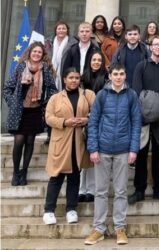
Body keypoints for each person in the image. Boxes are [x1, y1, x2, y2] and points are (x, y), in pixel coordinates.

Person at [84, 64, 141, 245]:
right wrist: (93, 148)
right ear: (109, 76)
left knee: (121, 191)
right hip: (103, 149)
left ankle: (119, 228)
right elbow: (93, 123)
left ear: (125, 75)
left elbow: (136, 123)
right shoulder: (102, 95)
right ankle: (98, 228)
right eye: (115, 74)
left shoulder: (131, 95)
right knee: (100, 191)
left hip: (123, 150)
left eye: (121, 74)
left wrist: (133, 149)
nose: (118, 77)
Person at [42, 67, 95, 225]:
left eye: (77, 78)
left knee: (74, 176)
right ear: (64, 79)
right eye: (71, 77)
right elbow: (48, 118)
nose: (74, 80)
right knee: (56, 177)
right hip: (60, 143)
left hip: (78, 143)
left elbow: (98, 111)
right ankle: (49, 210)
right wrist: (64, 122)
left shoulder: (87, 95)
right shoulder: (56, 98)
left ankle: (71, 209)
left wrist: (86, 119)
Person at [3, 42, 58, 186]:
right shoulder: (21, 67)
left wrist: (46, 103)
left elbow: (53, 89)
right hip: (20, 111)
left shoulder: (45, 69)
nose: (37, 54)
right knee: (19, 140)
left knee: (30, 141)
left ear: (43, 55)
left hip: (35, 110)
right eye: (35, 52)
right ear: (30, 52)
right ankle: (16, 172)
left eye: (39, 52)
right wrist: (13, 102)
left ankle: (24, 172)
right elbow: (7, 88)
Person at [128, 35, 159, 205]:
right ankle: (139, 190)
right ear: (150, 47)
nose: (158, 47)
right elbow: (136, 91)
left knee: (158, 155)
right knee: (141, 154)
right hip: (143, 117)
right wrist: (148, 107)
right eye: (155, 44)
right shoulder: (142, 66)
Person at [78, 51, 108, 203]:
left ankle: (91, 189)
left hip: (100, 120)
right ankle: (81, 189)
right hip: (83, 120)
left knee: (94, 156)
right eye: (93, 60)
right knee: (83, 156)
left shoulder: (107, 78)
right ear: (89, 62)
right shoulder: (82, 78)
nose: (96, 62)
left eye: (99, 60)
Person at [111, 24, 150, 89]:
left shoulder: (144, 50)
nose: (132, 36)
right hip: (123, 86)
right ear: (126, 36)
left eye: (135, 34)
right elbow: (113, 67)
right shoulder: (119, 50)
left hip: (141, 86)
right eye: (130, 34)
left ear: (139, 36)